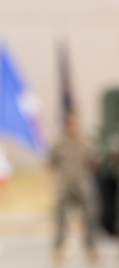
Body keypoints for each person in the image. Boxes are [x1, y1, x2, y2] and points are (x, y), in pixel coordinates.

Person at [48, 112, 99, 264]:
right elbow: (51, 162)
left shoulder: (86, 142)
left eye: (75, 124)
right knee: (60, 213)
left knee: (91, 210)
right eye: (70, 125)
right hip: (65, 180)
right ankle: (58, 247)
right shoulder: (59, 143)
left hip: (81, 180)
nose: (72, 128)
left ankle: (90, 246)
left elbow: (94, 162)